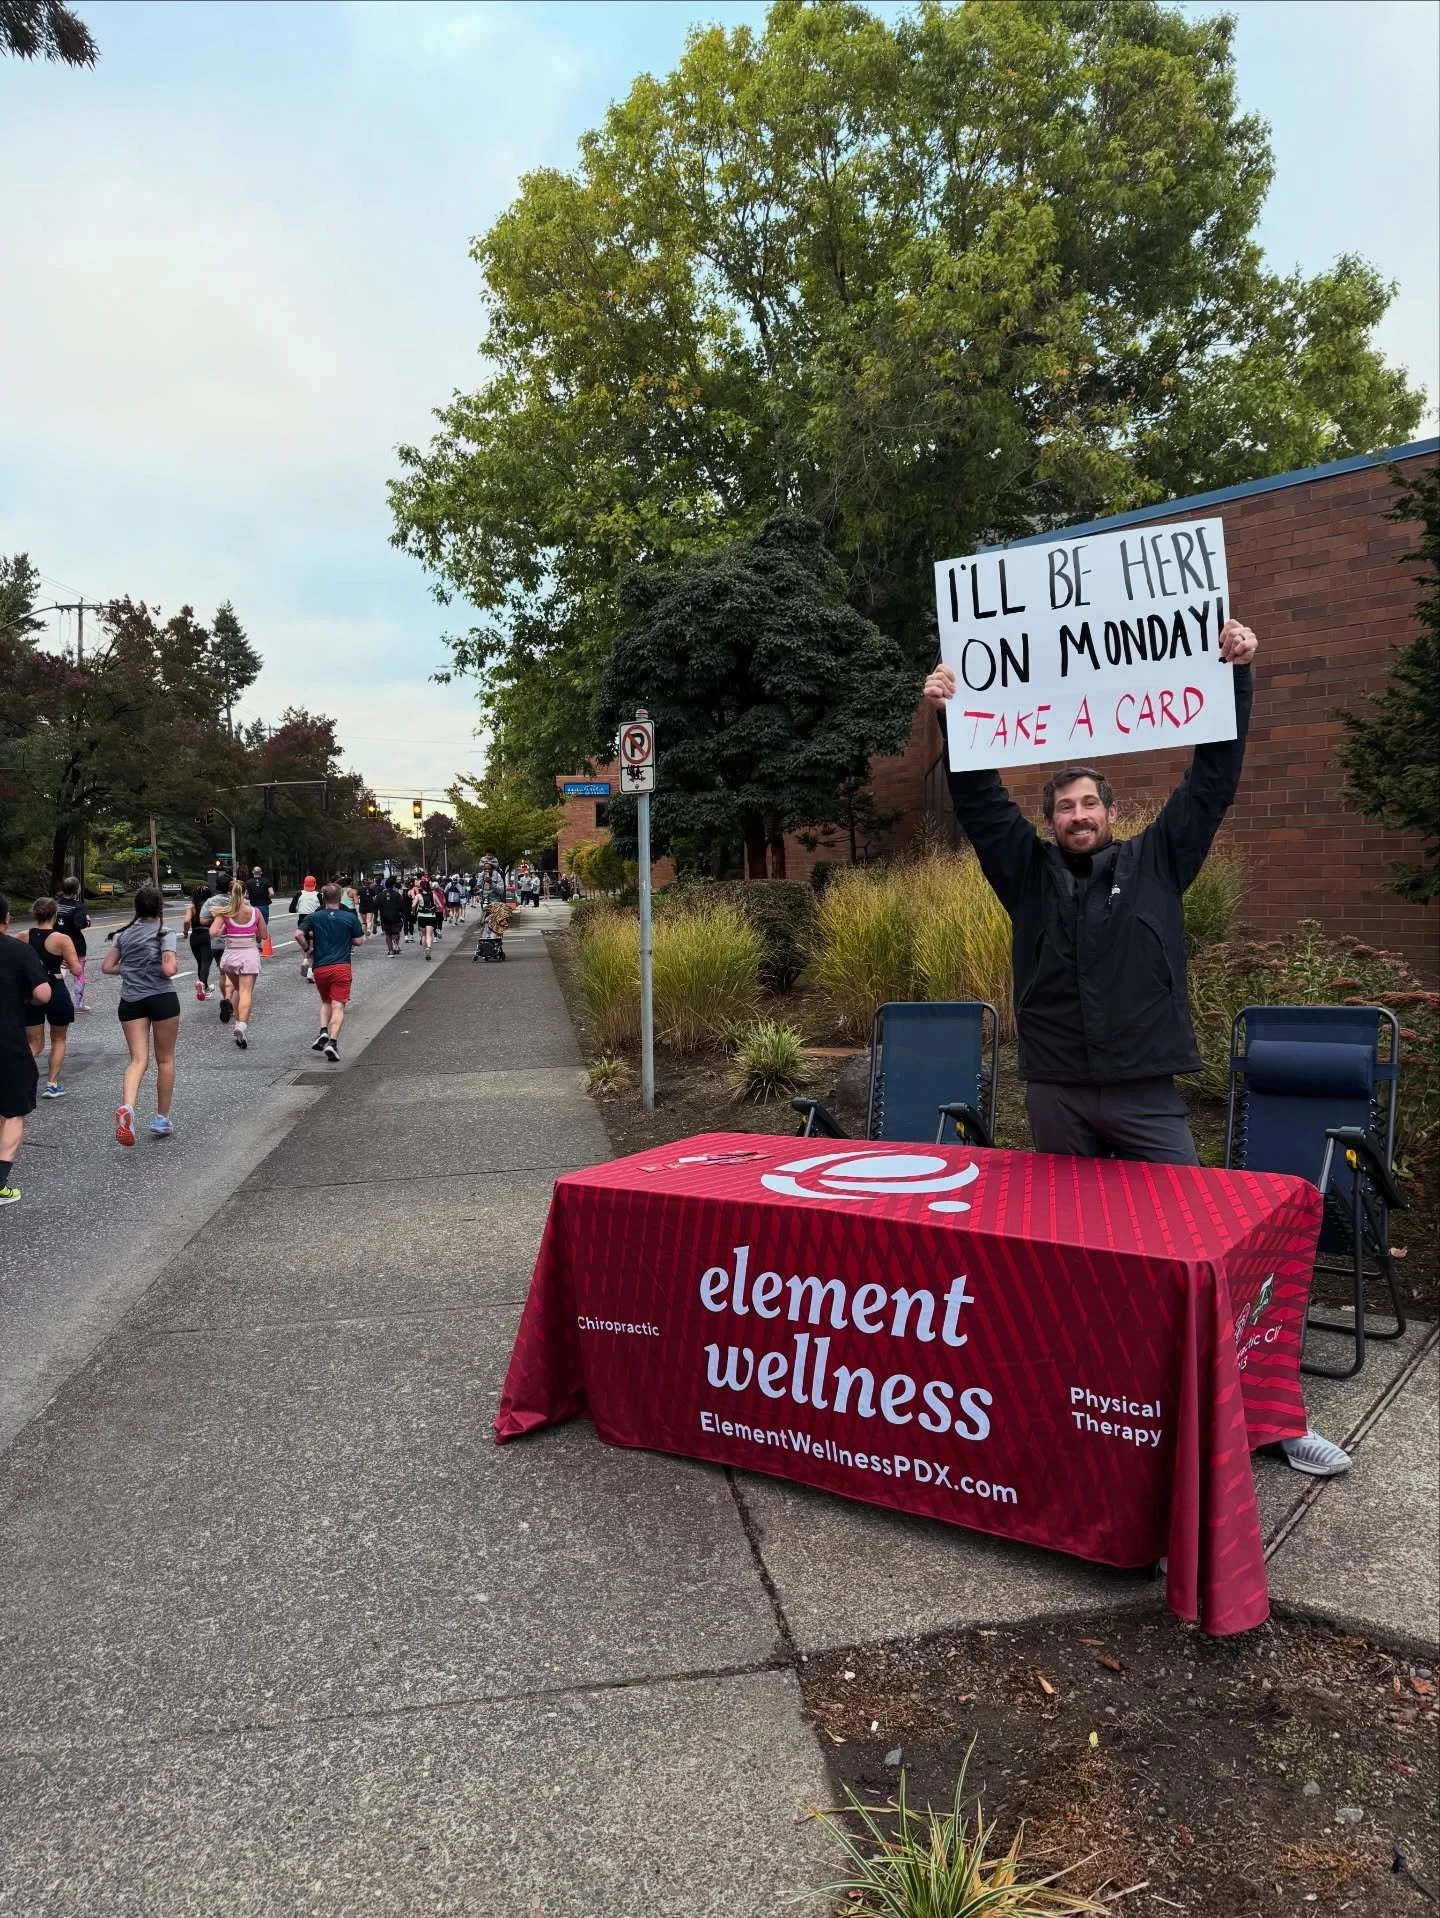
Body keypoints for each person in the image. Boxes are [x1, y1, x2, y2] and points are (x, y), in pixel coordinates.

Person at [924, 618, 1348, 1479]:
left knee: (1204, 1250)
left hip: (1146, 1095)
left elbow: (1214, 779)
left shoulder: (1160, 858)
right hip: (1059, 1097)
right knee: (1069, 1258)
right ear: (1051, 822)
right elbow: (978, 803)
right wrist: (950, 717)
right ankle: (1084, 1400)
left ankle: (1266, 1421)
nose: (1078, 816)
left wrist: (1235, 676)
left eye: (1090, 805)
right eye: (1065, 807)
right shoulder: (1026, 874)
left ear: (1113, 815)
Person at [100, 884, 180, 1144]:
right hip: (161, 998)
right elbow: (168, 969)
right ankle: (161, 1119)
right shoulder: (164, 932)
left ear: (137, 908)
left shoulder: (123, 935)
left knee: (137, 1060)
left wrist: (130, 969)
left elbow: (107, 967)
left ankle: (129, 1107)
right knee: (165, 1059)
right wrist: (169, 963)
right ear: (159, 907)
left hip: (131, 1001)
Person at [0, 893, 50, 1205]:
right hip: (7, 1039)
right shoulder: (18, 951)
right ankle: (1, 1184)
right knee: (14, 1110)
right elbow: (43, 994)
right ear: (6, 919)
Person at [295, 882, 364, 1062]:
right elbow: (358, 941)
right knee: (338, 1005)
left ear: (323, 898)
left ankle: (323, 1030)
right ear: (340, 898)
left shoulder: (314, 917)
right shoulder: (349, 917)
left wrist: (307, 949)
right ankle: (332, 1043)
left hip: (321, 966)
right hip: (341, 966)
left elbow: (298, 934)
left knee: (325, 1002)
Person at [25, 898, 81, 1098]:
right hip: (55, 989)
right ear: (55, 915)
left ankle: (16, 1076)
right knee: (58, 1039)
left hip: (32, 992)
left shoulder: (23, 936)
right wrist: (65, 960)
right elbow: (76, 970)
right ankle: (52, 1084)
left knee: (34, 1043)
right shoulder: (62, 939)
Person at [208, 879, 265, 1048]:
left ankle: (237, 1023)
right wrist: (254, 932)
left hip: (230, 956)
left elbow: (212, 932)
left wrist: (225, 929)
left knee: (237, 989)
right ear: (246, 892)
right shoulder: (255, 912)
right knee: (246, 991)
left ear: (229, 893)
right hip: (248, 954)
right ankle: (241, 1025)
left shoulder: (224, 913)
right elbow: (264, 935)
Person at [55, 876, 92, 1011]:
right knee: (79, 974)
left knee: (58, 971)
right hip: (76, 945)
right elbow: (80, 924)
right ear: (77, 890)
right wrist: (88, 921)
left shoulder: (55, 904)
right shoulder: (78, 907)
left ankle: (54, 999)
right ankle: (78, 1003)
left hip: (56, 944)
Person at [182, 880, 222, 1001]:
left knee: (200, 961)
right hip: (207, 935)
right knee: (206, 962)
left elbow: (186, 921)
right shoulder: (211, 907)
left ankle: (203, 984)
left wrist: (185, 932)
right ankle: (203, 985)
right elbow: (217, 921)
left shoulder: (191, 907)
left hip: (195, 936)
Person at [291, 875, 321, 978]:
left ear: (304, 884)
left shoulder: (299, 894)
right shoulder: (318, 895)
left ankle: (304, 960)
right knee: (313, 944)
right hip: (315, 919)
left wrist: (300, 908)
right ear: (315, 884)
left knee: (305, 941)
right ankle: (310, 971)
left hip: (302, 919)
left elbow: (291, 909)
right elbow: (323, 908)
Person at [414, 873, 440, 959]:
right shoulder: (433, 894)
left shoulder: (418, 895)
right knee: (429, 935)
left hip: (421, 916)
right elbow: (439, 905)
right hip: (431, 916)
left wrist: (413, 910)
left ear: (421, 887)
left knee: (423, 935)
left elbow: (413, 905)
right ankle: (429, 947)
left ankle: (425, 949)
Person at [377, 877, 405, 955]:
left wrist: (376, 919)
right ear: (393, 885)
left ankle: (390, 950)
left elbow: (375, 906)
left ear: (385, 885)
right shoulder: (397, 895)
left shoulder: (380, 895)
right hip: (396, 916)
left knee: (388, 933)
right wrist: (403, 915)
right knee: (396, 932)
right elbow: (401, 906)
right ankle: (395, 941)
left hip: (384, 917)